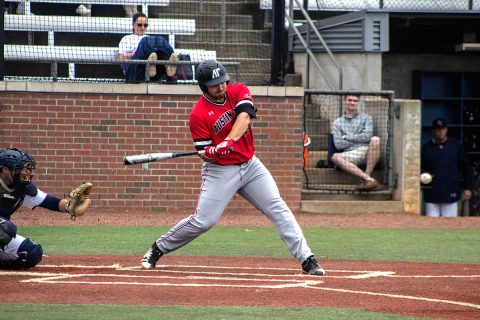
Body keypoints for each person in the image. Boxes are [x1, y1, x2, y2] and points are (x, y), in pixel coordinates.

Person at [140, 60, 325, 276]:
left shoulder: (238, 90)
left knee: (277, 207)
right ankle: (157, 248)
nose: (220, 87)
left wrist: (228, 141)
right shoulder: (198, 114)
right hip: (220, 171)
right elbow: (204, 153)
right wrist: (211, 153)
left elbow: (244, 117)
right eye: (214, 84)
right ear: (203, 87)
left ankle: (307, 259)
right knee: (204, 221)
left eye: (222, 82)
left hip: (250, 165)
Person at [0, 147, 92, 269]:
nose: (25, 172)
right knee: (5, 228)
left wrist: (69, 206)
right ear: (5, 170)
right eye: (20, 169)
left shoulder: (22, 187)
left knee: (32, 253)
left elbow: (50, 202)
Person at [421, 118, 474, 217]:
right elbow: (420, 169)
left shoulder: (456, 146)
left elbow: (466, 167)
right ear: (433, 131)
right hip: (432, 192)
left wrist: (467, 187)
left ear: (446, 130)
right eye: (437, 129)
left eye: (443, 128)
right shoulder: (426, 148)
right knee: (430, 225)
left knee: (450, 224)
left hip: (450, 191)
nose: (440, 131)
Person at [330, 94, 381, 190]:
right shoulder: (337, 123)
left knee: (375, 140)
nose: (352, 103)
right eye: (350, 100)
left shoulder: (366, 118)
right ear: (344, 101)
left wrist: (346, 137)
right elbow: (338, 145)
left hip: (367, 152)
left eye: (355, 101)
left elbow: (367, 137)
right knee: (335, 157)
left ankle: (367, 176)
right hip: (350, 153)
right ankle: (368, 179)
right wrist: (358, 138)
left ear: (358, 103)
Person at [117, 12, 178, 83]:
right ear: (133, 25)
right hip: (134, 69)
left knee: (160, 40)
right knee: (146, 41)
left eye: (145, 25)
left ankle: (167, 64)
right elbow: (121, 58)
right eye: (139, 25)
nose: (143, 28)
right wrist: (136, 53)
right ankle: (151, 60)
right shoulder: (126, 38)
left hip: (155, 71)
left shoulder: (149, 38)